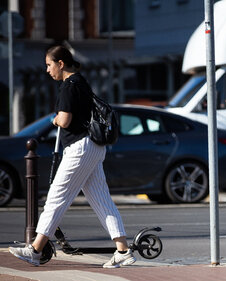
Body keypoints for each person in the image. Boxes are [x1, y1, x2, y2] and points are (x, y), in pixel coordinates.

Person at [9, 45, 135, 269]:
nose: (47, 70)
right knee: (102, 201)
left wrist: (55, 119)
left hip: (80, 148)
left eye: (49, 65)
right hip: (94, 147)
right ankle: (123, 250)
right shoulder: (82, 82)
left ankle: (35, 250)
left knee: (56, 198)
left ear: (60, 63)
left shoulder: (68, 86)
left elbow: (65, 120)